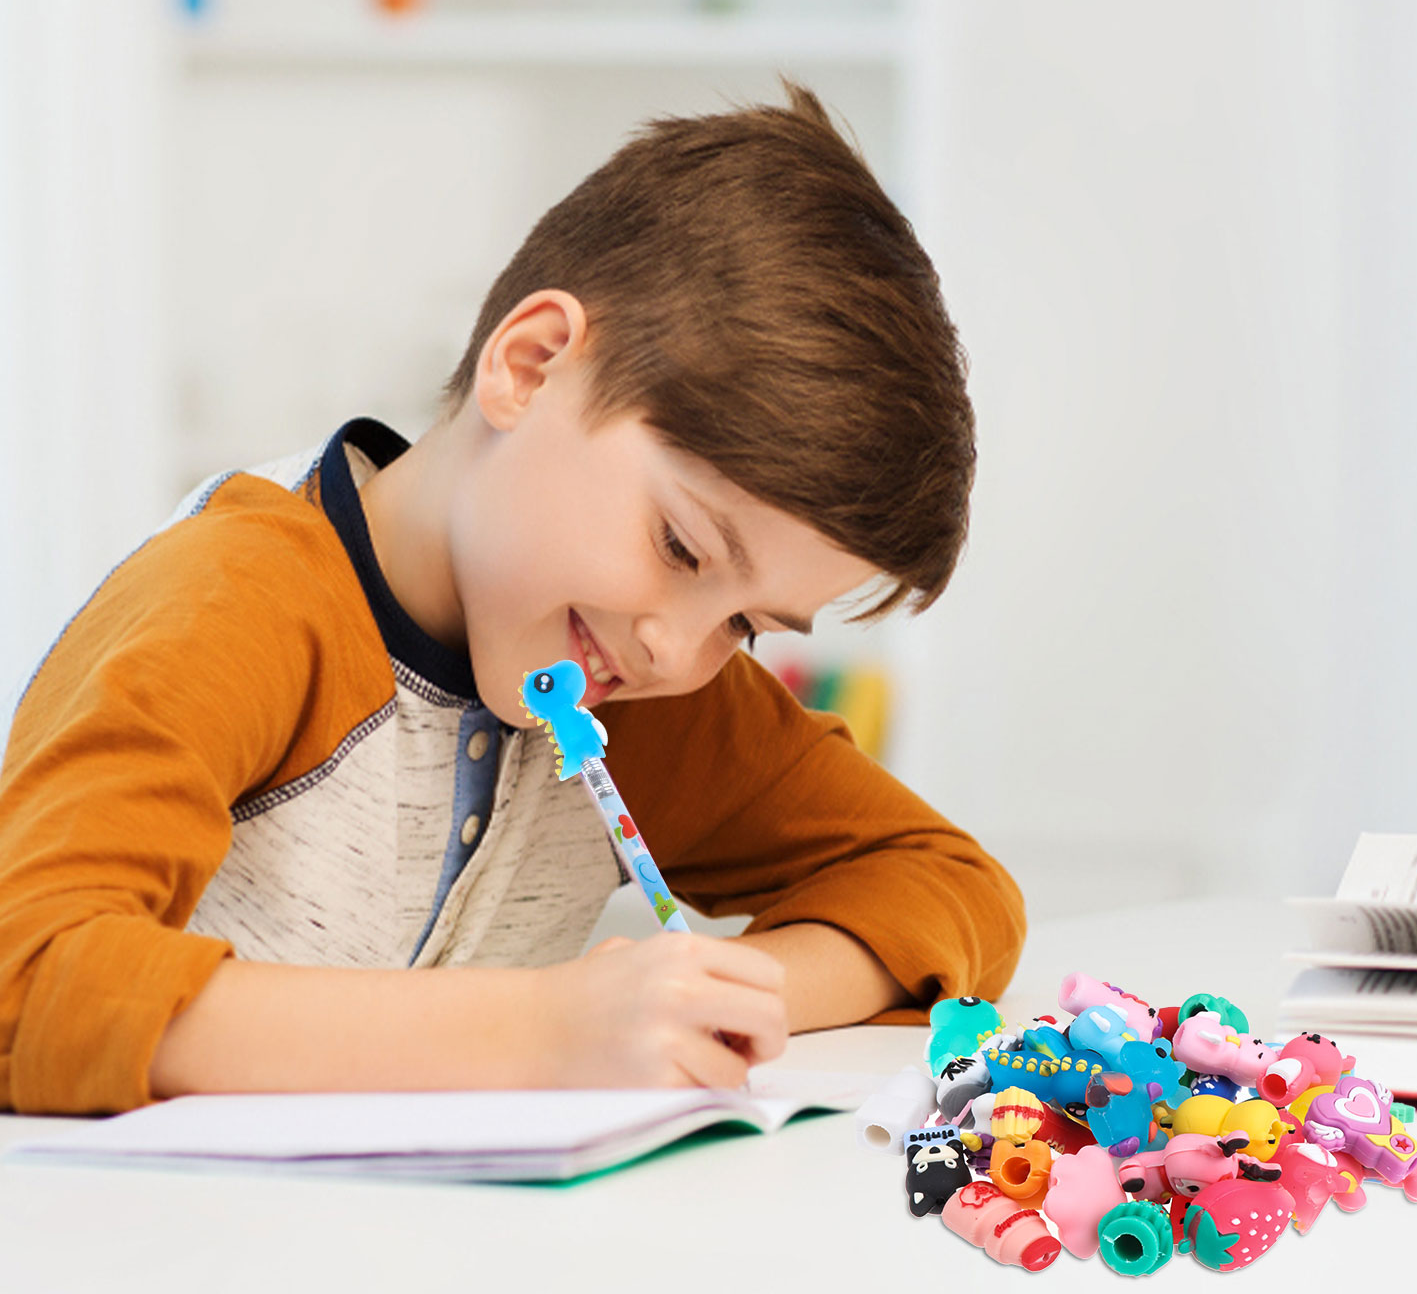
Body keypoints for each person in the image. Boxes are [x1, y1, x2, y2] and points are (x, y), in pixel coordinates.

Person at [0, 83, 1024, 1115]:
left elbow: (947, 882)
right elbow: (23, 974)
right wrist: (544, 1029)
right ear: (529, 368)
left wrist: (713, 998)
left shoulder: (630, 683)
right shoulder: (235, 603)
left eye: (745, 624)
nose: (678, 650)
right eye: (680, 546)